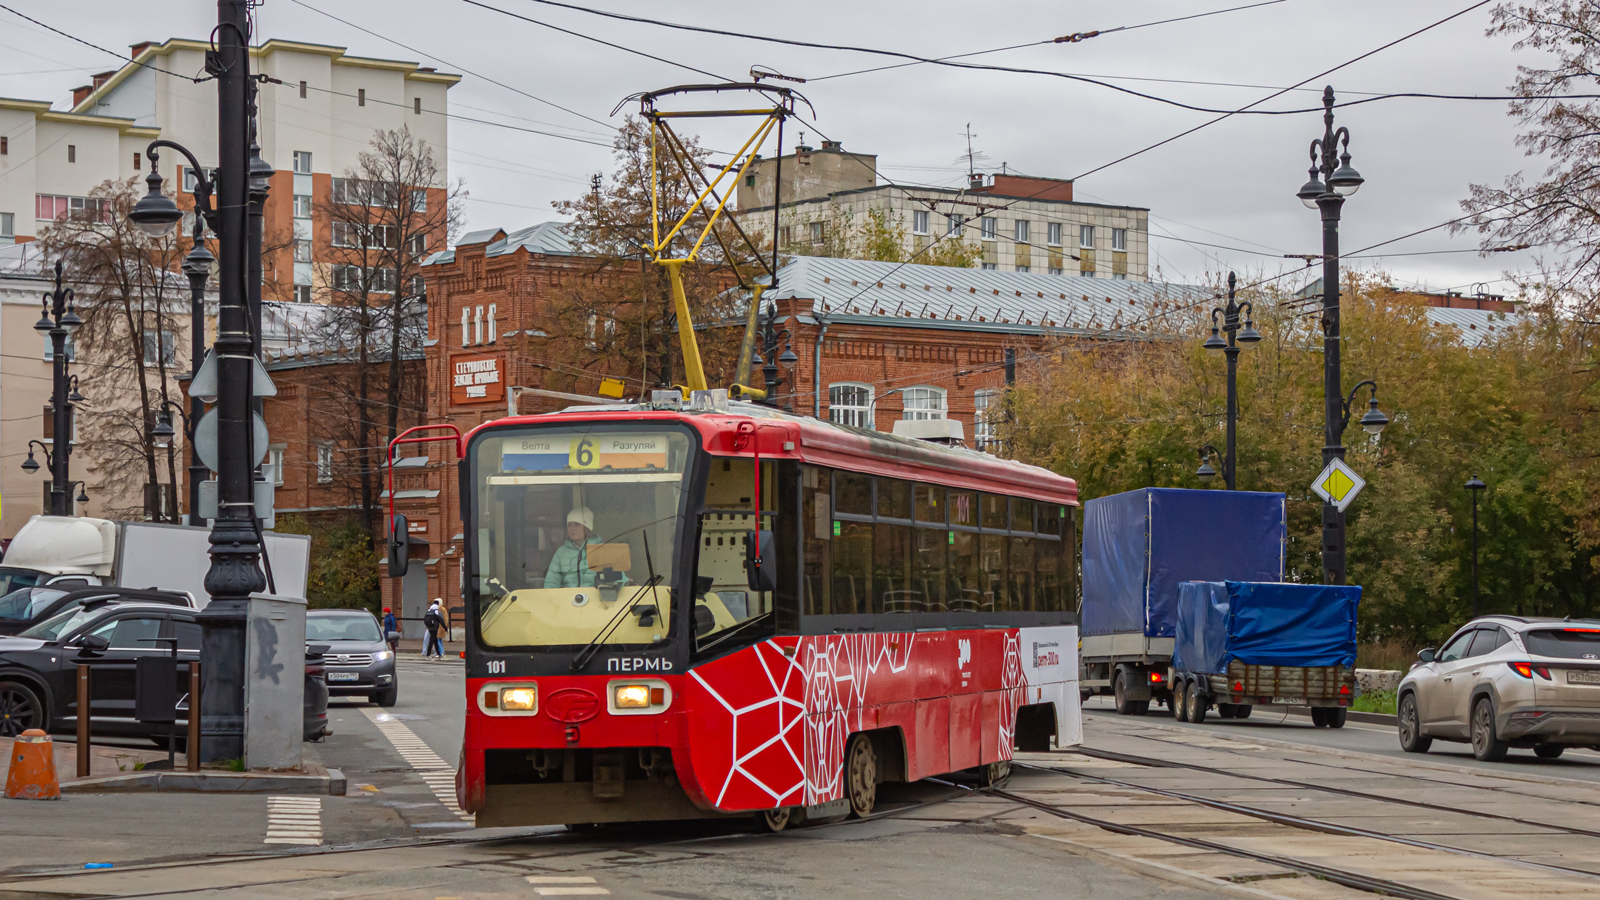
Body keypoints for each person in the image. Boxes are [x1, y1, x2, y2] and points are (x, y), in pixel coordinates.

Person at [544, 507, 603, 589]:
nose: (572, 528)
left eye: (577, 524)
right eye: (569, 525)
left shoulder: (603, 550)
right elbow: (552, 580)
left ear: (587, 527)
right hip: (567, 599)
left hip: (597, 599)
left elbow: (618, 579)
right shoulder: (561, 552)